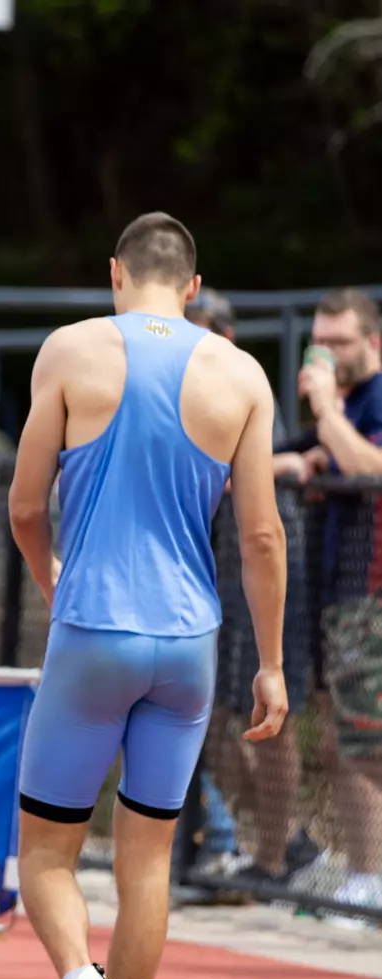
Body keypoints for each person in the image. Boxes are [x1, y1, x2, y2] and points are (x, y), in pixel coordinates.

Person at [8, 213, 288, 979]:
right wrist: (271, 664)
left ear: (115, 277)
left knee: (45, 856)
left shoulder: (71, 349)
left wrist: (52, 581)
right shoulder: (240, 373)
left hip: (94, 627)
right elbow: (261, 535)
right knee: (147, 867)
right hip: (189, 646)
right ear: (194, 287)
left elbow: (23, 505)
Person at [185, 289, 315, 886]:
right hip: (213, 572)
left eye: (199, 330)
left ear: (226, 336)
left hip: (259, 575)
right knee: (215, 725)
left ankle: (275, 855)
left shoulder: (240, 387)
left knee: (267, 717)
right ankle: (281, 839)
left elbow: (258, 503)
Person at [273, 288, 382, 924]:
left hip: (373, 596)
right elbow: (289, 456)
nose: (326, 353)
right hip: (338, 598)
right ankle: (364, 879)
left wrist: (327, 414)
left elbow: (369, 467)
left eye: (339, 342)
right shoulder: (338, 411)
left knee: (368, 745)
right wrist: (303, 455)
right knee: (345, 744)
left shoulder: (367, 401)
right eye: (320, 340)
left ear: (372, 344)